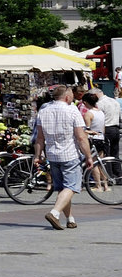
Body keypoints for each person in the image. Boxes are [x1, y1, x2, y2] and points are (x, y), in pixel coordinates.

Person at [34, 84, 94, 231]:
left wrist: (37, 155)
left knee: (62, 189)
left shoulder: (43, 111)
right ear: (67, 97)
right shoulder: (72, 110)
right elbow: (81, 137)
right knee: (72, 187)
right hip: (69, 154)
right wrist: (88, 156)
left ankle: (70, 219)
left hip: (52, 154)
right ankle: (54, 213)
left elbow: (39, 138)